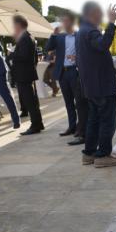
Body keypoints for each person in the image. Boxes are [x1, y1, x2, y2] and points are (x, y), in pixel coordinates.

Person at [76, 1, 116, 168]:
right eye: (99, 13)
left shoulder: (82, 31)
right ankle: (103, 155)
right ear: (91, 14)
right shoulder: (90, 31)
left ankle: (89, 153)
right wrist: (111, 23)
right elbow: (103, 45)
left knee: (94, 120)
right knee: (107, 121)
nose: (101, 16)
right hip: (102, 85)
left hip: (91, 86)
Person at [46, 12, 88, 145]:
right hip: (62, 73)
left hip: (74, 72)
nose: (63, 23)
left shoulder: (79, 35)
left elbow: (86, 53)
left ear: (71, 22)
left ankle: (82, 130)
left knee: (79, 103)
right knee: (68, 102)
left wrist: (77, 59)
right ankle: (72, 127)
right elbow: (48, 48)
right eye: (62, 21)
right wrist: (53, 34)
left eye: (65, 21)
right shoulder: (59, 37)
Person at [6, 16, 43, 135]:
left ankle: (35, 125)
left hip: (24, 74)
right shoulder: (26, 37)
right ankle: (38, 124)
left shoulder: (26, 38)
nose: (13, 28)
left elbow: (24, 56)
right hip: (25, 74)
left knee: (30, 101)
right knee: (31, 101)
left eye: (14, 25)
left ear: (19, 25)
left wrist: (12, 54)